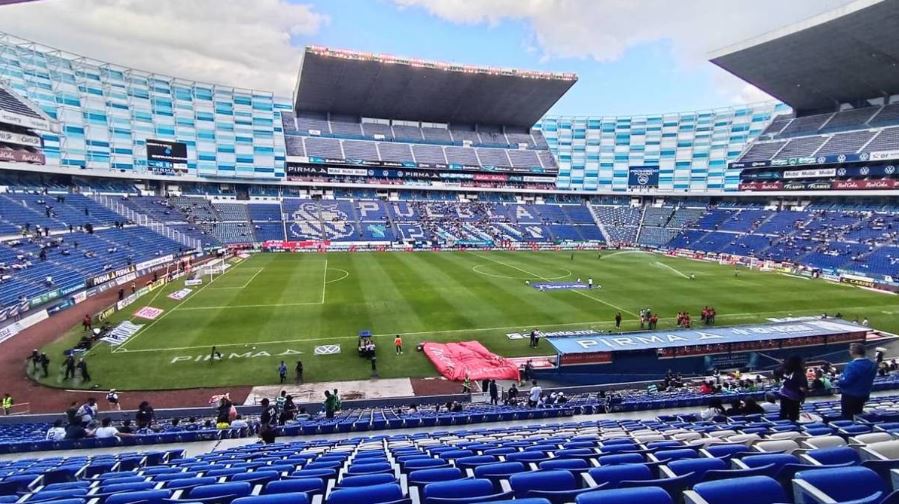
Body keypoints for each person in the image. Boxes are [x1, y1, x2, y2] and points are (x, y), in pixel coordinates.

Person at [838, 343, 877, 419]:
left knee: (847, 416)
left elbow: (846, 382)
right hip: (864, 394)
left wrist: (839, 381)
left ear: (853, 352)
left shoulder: (852, 365)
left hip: (850, 396)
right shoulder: (871, 364)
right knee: (858, 414)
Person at [779, 355, 807, 422]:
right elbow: (803, 388)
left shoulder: (787, 371)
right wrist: (803, 397)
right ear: (799, 363)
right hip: (793, 399)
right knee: (793, 418)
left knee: (783, 415)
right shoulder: (799, 374)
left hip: (783, 395)